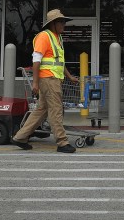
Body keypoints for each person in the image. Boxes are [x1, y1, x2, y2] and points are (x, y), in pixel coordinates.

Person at [11, 9, 79, 153]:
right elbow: (36, 60)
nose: (64, 24)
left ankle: (20, 137)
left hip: (54, 79)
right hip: (48, 79)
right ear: (53, 23)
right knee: (56, 110)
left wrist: (69, 76)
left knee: (41, 111)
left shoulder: (57, 38)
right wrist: (35, 83)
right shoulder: (44, 36)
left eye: (64, 22)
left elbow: (59, 62)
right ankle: (62, 142)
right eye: (61, 22)